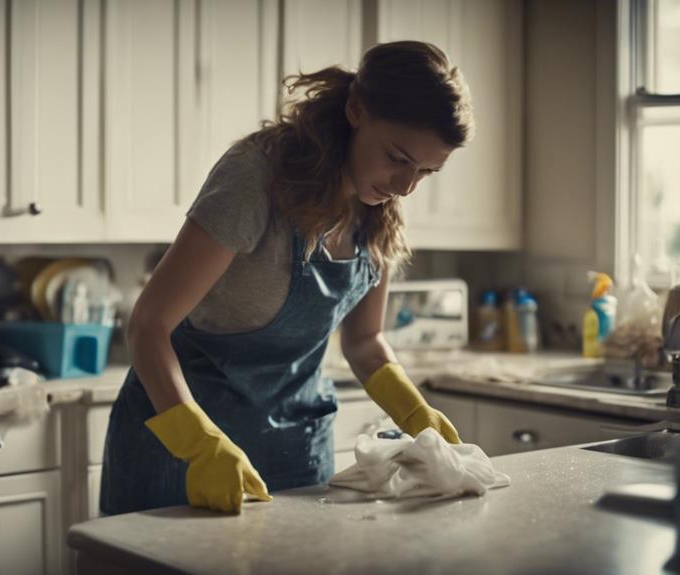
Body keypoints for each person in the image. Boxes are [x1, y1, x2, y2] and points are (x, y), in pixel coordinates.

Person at [100, 40, 473, 516]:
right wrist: (198, 443)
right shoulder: (255, 179)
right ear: (357, 110)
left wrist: (414, 413)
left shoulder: (378, 208)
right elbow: (148, 326)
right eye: (398, 158)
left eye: (426, 172)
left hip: (298, 446)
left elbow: (364, 341)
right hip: (182, 451)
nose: (405, 187)